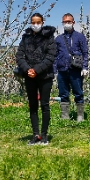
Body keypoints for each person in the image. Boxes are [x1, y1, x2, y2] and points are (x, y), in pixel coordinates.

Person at [16, 13, 57, 145]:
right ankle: (35, 134)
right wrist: (28, 69)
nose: (35, 25)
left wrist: (36, 70)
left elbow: (50, 57)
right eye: (33, 22)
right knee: (33, 105)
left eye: (38, 22)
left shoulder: (49, 37)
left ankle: (44, 135)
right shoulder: (26, 38)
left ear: (42, 22)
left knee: (44, 105)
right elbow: (20, 56)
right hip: (29, 76)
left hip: (45, 76)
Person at [54, 13, 89, 121]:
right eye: (65, 22)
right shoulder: (58, 39)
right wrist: (54, 70)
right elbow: (55, 55)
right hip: (62, 70)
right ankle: (65, 115)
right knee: (63, 94)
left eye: (69, 21)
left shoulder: (80, 36)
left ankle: (80, 115)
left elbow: (85, 53)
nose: (67, 24)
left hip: (76, 70)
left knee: (78, 93)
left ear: (73, 22)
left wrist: (85, 67)